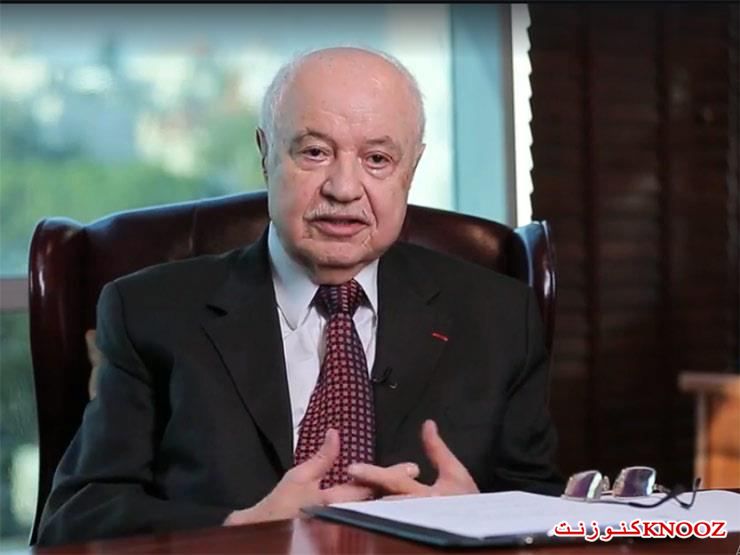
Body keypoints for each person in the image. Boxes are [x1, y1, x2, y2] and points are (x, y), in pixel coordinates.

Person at [37, 46, 562, 546]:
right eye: (314, 152)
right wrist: (240, 529)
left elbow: (551, 516)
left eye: (378, 159)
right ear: (266, 153)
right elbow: (74, 521)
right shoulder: (150, 312)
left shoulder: (499, 317)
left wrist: (479, 518)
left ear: (411, 169)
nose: (343, 188)